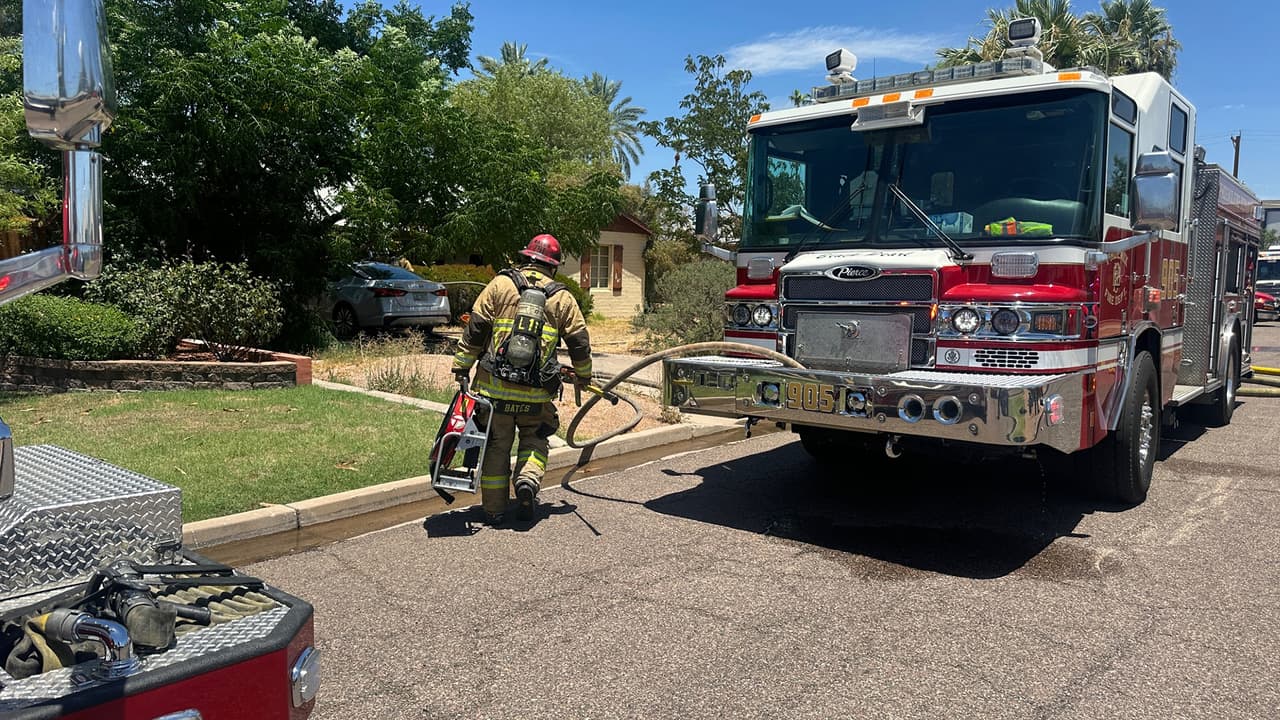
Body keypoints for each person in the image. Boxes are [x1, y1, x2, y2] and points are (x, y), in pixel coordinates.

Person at [451, 234, 592, 525]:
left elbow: (475, 330)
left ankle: (494, 510)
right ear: (552, 266)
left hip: (494, 392)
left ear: (526, 257)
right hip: (536, 396)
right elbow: (580, 342)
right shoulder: (562, 297)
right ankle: (527, 481)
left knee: (496, 447)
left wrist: (462, 367)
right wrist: (584, 375)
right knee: (535, 439)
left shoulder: (500, 285)